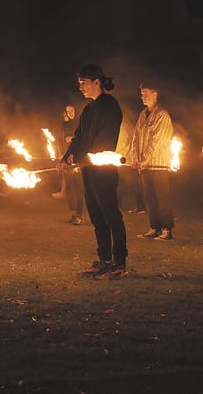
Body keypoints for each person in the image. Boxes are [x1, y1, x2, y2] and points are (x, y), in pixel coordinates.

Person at [58, 64, 127, 278]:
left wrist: (86, 157)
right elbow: (79, 137)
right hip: (88, 170)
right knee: (96, 216)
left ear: (97, 82)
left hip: (103, 169)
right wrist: (67, 156)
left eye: (84, 82)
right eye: (79, 83)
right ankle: (104, 260)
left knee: (110, 215)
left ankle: (119, 263)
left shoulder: (110, 106)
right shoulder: (88, 109)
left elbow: (104, 140)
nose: (80, 87)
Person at [130, 79, 176, 241]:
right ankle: (154, 227)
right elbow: (136, 137)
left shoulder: (162, 115)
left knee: (161, 197)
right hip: (144, 165)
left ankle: (166, 229)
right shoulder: (143, 114)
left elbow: (158, 140)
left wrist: (146, 159)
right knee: (149, 198)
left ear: (155, 94)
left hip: (158, 164)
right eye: (141, 94)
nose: (142, 97)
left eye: (145, 94)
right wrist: (136, 158)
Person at [115, 116, 146, 215]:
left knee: (120, 184)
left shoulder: (121, 126)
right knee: (135, 184)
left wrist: (114, 154)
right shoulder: (129, 125)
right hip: (129, 160)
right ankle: (141, 206)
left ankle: (119, 206)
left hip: (124, 161)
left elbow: (123, 144)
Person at [52, 104, 78, 199]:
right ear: (64, 113)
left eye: (72, 111)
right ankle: (64, 192)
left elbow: (72, 138)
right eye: (68, 111)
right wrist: (61, 153)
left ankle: (68, 193)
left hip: (74, 153)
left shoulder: (75, 123)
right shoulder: (64, 125)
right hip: (66, 152)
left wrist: (73, 138)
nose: (71, 113)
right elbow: (63, 140)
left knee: (72, 174)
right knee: (66, 173)